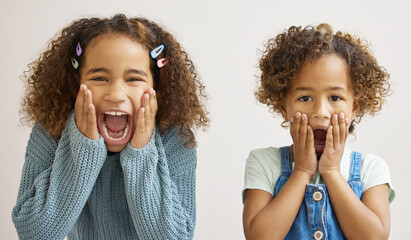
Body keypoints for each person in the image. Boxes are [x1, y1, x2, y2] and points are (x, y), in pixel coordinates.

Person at [12, 14, 209, 240]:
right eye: (100, 78)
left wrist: (141, 153)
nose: (116, 94)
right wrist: (84, 148)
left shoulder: (175, 138)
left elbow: (176, 237)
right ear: (77, 82)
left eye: (134, 79)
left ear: (157, 86)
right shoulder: (51, 131)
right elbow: (34, 234)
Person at [242, 23, 395, 240]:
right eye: (305, 98)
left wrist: (332, 171)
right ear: (283, 108)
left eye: (335, 98)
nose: (320, 112)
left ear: (354, 108)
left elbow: (374, 237)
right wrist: (302, 171)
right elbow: (259, 237)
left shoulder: (370, 169)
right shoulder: (264, 162)